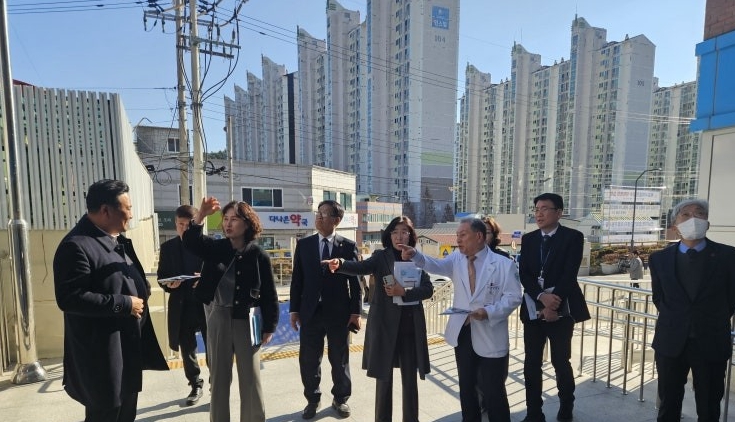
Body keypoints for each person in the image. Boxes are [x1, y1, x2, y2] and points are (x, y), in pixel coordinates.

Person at [53, 179, 168, 422]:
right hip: (102, 359)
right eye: (128, 208)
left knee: (125, 413)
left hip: (126, 351)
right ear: (106, 210)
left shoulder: (114, 239)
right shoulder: (77, 246)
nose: (131, 214)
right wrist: (124, 303)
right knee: (106, 414)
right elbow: (70, 298)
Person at [399, 217, 522, 422]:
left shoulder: (503, 264)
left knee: (494, 391)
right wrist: (416, 255)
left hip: (490, 333)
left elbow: (514, 297)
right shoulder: (457, 258)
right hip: (463, 332)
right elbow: (436, 265)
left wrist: (488, 312)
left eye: (463, 235)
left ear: (479, 236)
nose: (458, 240)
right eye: (457, 235)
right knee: (466, 388)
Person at [324, 216, 434, 422]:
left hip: (410, 327)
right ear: (389, 235)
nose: (399, 236)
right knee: (383, 380)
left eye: (404, 232)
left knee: (410, 381)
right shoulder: (381, 257)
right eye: (395, 232)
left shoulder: (417, 258)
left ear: (410, 235)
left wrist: (405, 292)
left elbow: (428, 289)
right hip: (384, 326)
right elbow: (360, 267)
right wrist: (340, 264)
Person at [183, 198, 279, 422]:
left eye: (234, 219)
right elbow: (191, 242)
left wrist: (270, 326)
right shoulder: (215, 248)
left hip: (248, 320)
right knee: (218, 378)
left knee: (251, 378)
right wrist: (201, 215)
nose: (228, 223)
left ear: (247, 223)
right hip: (218, 317)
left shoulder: (259, 255)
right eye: (225, 219)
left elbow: (269, 294)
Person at [649, 199, 735, 422]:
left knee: (709, 407)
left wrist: (708, 318)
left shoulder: (729, 256)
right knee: (668, 404)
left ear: (707, 222)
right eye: (685, 215)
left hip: (711, 340)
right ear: (675, 225)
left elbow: (731, 299)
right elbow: (659, 298)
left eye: (699, 214)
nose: (693, 218)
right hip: (670, 341)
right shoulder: (659, 258)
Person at [518, 192, 590, 422]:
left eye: (544, 209)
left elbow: (569, 274)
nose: (539, 214)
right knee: (531, 363)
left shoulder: (573, 237)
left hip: (562, 308)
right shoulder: (529, 239)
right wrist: (541, 297)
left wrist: (553, 305)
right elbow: (524, 274)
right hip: (533, 309)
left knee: (561, 361)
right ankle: (534, 412)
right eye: (536, 209)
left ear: (559, 212)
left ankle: (566, 407)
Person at [289, 200, 362, 419]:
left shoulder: (347, 246)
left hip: (339, 313)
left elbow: (355, 282)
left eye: (324, 214)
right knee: (309, 359)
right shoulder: (304, 245)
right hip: (310, 312)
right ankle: (312, 399)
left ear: (336, 220)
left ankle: (340, 399)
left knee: (339, 358)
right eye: (318, 214)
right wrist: (294, 310)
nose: (319, 218)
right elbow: (297, 280)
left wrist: (356, 313)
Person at [157, 204, 206, 405]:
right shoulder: (167, 248)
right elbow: (161, 277)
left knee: (213, 346)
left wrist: (205, 279)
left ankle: (217, 382)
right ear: (175, 224)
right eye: (180, 224)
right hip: (181, 305)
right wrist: (169, 284)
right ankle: (195, 383)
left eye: (188, 225)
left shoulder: (207, 245)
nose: (184, 229)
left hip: (205, 304)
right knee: (187, 349)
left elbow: (220, 272)